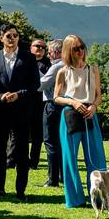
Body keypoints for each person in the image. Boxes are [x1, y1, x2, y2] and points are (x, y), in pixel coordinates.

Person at [0, 23, 39, 201]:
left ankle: (20, 191)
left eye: (15, 35)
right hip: (0, 110)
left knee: (22, 152)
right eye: (9, 36)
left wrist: (19, 94)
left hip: (22, 110)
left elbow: (35, 84)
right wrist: (0, 96)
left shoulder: (28, 57)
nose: (12, 38)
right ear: (1, 38)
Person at [53, 35, 107, 207]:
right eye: (76, 48)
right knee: (70, 159)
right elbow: (56, 97)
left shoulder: (94, 69)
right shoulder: (62, 72)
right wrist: (73, 102)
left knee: (96, 157)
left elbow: (99, 95)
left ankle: (98, 195)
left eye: (82, 47)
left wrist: (94, 107)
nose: (80, 51)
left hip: (90, 114)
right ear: (69, 50)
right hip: (70, 115)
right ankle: (75, 199)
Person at [40, 40, 64, 187]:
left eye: (49, 52)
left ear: (57, 52)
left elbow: (41, 85)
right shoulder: (70, 65)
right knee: (61, 143)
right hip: (65, 106)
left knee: (50, 142)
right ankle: (62, 175)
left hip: (52, 105)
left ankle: (52, 179)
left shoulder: (56, 67)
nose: (48, 55)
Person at [28, 39, 51, 169]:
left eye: (43, 47)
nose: (40, 48)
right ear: (31, 47)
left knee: (37, 135)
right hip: (25, 101)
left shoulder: (48, 64)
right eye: (37, 46)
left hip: (40, 103)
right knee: (22, 133)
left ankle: (34, 161)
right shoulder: (25, 61)